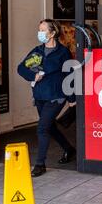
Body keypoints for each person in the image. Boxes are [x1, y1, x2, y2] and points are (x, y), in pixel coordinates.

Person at [18, 19, 76, 177]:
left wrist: (71, 99)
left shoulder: (63, 52)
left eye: (43, 30)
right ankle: (69, 149)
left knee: (42, 128)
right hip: (40, 96)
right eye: (39, 30)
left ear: (52, 33)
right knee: (49, 127)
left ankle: (39, 164)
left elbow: (69, 75)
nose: (40, 33)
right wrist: (33, 75)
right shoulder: (37, 51)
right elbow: (21, 68)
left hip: (56, 96)